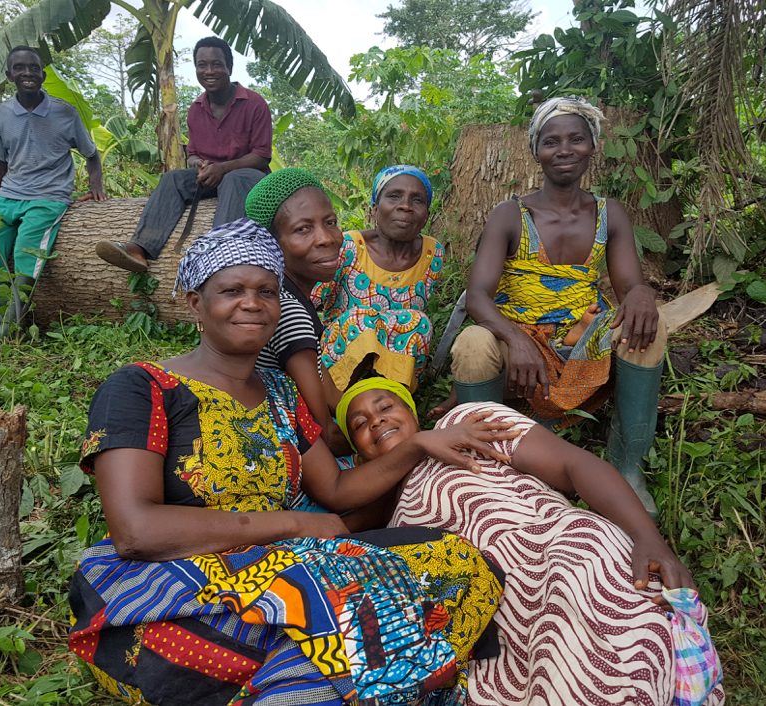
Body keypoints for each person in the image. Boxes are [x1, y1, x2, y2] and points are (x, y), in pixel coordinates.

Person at [68, 219, 513, 705]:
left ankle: (299, 682)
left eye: (266, 291)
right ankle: (322, 677)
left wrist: (418, 445)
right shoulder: (142, 387)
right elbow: (136, 531)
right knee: (345, 600)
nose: (252, 303)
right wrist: (294, 524)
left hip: (281, 574)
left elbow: (337, 492)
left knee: (459, 562)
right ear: (196, 303)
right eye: (231, 290)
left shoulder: (282, 393)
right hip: (170, 590)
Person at [336, 370, 725, 706]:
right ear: (359, 459)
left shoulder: (465, 422)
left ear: (412, 412)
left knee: (600, 601)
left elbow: (573, 465)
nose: (375, 421)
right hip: (492, 607)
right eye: (359, 424)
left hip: (561, 548)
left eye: (386, 406)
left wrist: (647, 537)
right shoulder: (387, 524)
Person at [446, 95, 667, 515]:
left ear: (592, 147)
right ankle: (491, 466)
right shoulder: (511, 214)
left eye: (576, 139)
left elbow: (630, 285)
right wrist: (516, 338)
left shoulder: (609, 214)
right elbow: (477, 295)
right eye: (551, 141)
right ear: (536, 151)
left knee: (649, 331)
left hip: (581, 332)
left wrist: (640, 293)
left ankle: (628, 467)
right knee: (474, 344)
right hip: (519, 331)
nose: (564, 150)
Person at [0, 45, 105, 337]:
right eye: (20, 68)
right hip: (9, 193)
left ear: (42, 72)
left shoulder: (64, 112)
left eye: (34, 68)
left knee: (26, 250)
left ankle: (10, 328)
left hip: (49, 196)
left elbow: (91, 154)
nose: (28, 73)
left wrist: (96, 187)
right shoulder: (0, 115)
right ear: (9, 74)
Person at [94, 37, 271, 272]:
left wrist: (223, 168)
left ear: (229, 67)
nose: (209, 71)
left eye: (216, 64)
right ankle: (139, 249)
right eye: (202, 65)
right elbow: (194, 153)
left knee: (232, 178)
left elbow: (261, 156)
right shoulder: (196, 109)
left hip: (248, 177)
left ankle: (222, 249)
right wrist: (200, 164)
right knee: (173, 178)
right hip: (212, 176)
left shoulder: (254, 103)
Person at [245, 167, 353, 455]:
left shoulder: (290, 299)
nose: (326, 238)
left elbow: (330, 392)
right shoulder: (289, 312)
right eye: (303, 229)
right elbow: (322, 434)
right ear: (272, 244)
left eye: (330, 222)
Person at [315, 165, 444, 392]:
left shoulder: (433, 254)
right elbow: (309, 302)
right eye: (394, 196)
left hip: (394, 369)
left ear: (427, 216)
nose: (405, 206)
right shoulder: (348, 247)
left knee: (418, 322)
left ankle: (394, 402)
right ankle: (340, 404)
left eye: (417, 200)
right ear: (374, 208)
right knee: (362, 319)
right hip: (338, 364)